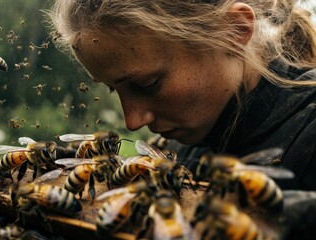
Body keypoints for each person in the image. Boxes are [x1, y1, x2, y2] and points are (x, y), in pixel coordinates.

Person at [48, 0, 316, 191]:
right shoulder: (174, 153)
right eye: (113, 89)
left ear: (234, 32)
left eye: (147, 84)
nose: (133, 121)